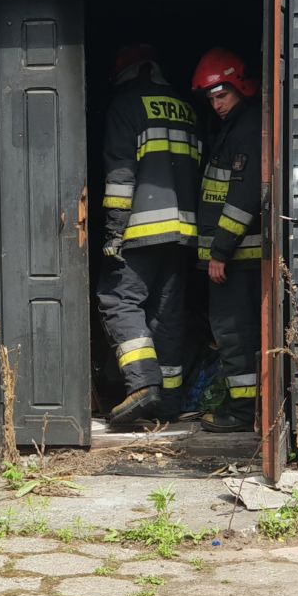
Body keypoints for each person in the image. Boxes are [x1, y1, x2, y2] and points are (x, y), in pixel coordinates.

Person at [96, 43, 201, 426]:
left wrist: (113, 231)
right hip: (183, 232)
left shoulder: (127, 104)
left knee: (118, 300)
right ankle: (169, 403)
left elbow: (120, 176)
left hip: (140, 229)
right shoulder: (186, 108)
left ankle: (142, 386)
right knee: (165, 315)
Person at [193, 47, 263, 433]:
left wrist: (220, 252)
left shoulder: (246, 128)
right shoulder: (232, 128)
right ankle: (244, 409)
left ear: (240, 87)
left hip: (236, 260)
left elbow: (242, 198)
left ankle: (241, 414)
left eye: (223, 95)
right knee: (234, 334)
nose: (217, 105)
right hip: (233, 258)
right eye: (211, 99)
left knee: (235, 335)